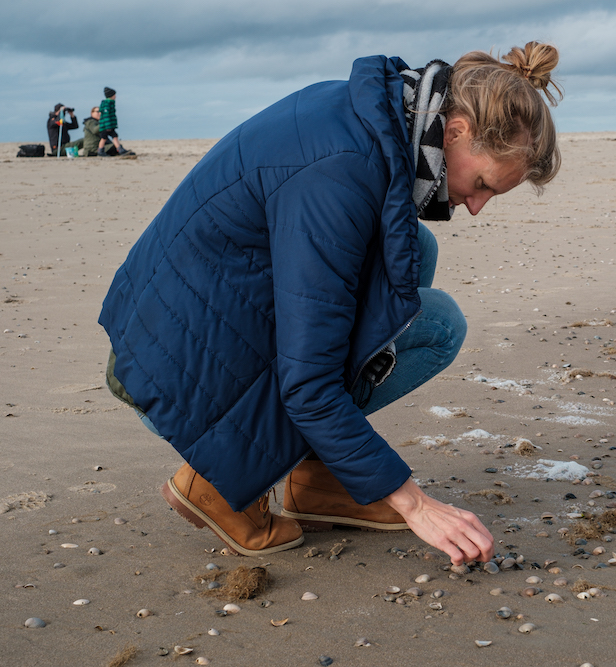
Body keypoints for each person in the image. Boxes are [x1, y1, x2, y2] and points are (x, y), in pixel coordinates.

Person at [98, 42, 561, 566]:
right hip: (171, 376)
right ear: (454, 131)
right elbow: (310, 386)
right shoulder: (339, 172)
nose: (476, 207)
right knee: (439, 324)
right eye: (482, 185)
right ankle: (220, 483)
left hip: (172, 327)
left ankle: (315, 480)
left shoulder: (373, 114)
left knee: (412, 247)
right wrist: (414, 503)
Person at [97, 87, 134, 156]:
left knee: (112, 136)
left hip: (108, 125)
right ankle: (101, 151)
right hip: (106, 126)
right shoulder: (107, 104)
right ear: (111, 95)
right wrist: (108, 126)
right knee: (105, 138)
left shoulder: (109, 103)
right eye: (114, 95)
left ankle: (119, 150)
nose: (115, 96)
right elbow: (106, 115)